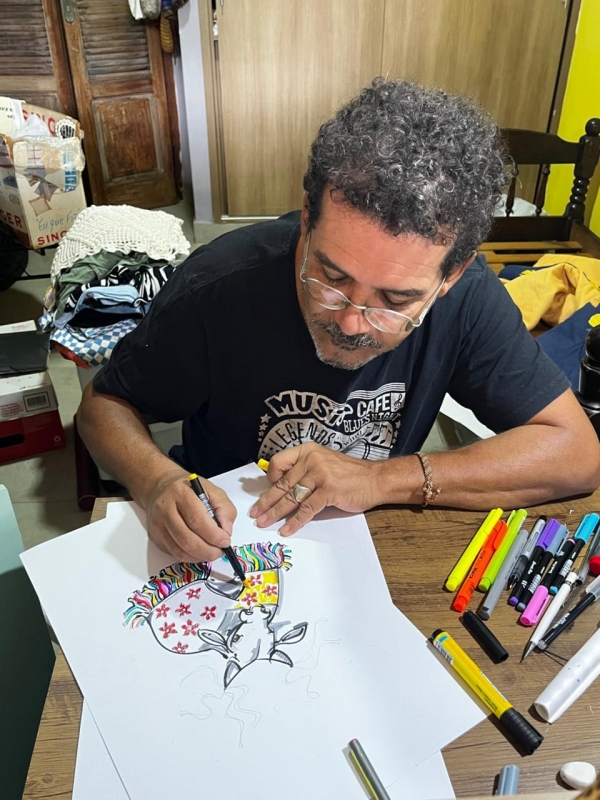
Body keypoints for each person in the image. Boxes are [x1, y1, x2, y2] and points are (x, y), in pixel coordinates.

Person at [77, 79, 600, 563]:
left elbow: (578, 453)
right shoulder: (218, 285)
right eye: (332, 276)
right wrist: (157, 482)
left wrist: (381, 479)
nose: (351, 322)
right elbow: (103, 406)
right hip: (226, 537)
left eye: (395, 300)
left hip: (366, 545)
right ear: (308, 217)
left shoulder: (469, 298)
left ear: (451, 275)